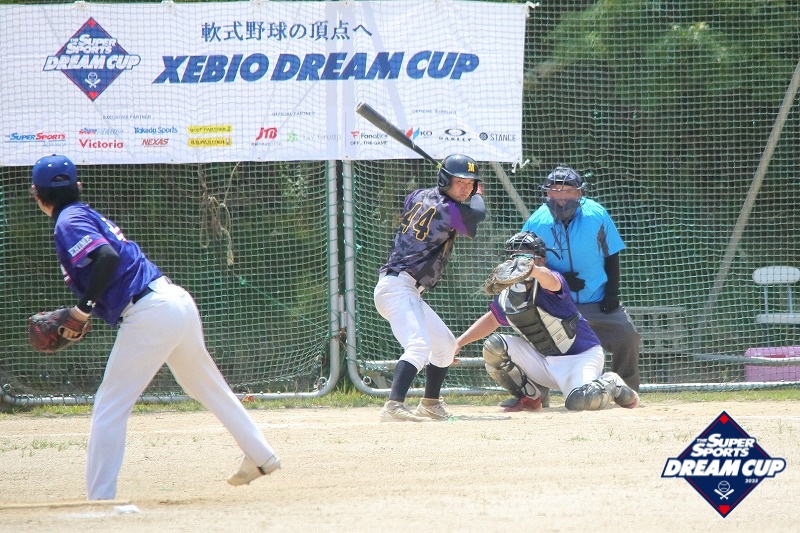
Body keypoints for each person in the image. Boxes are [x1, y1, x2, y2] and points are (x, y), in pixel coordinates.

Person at [29, 154, 279, 500]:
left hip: (150, 312)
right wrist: (85, 308)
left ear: (37, 195)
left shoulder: (68, 220)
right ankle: (261, 455)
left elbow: (106, 258)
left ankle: (100, 498)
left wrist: (82, 310)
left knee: (110, 405)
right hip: (173, 301)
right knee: (205, 386)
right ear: (79, 187)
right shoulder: (84, 213)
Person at [455, 231, 638, 412]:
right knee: (494, 347)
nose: (518, 261)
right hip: (543, 361)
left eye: (526, 256)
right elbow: (491, 319)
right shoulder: (509, 294)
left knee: (579, 401)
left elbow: (551, 281)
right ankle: (529, 398)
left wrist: (531, 269)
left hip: (580, 358)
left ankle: (611, 383)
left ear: (541, 260)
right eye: (514, 257)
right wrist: (458, 343)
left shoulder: (552, 279)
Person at [374, 154, 486, 422]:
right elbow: (476, 217)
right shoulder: (450, 211)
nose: (466, 188)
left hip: (406, 289)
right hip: (397, 287)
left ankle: (430, 404)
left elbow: (424, 204)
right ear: (445, 180)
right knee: (418, 346)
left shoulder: (417, 195)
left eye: (470, 183)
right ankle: (393, 406)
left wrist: (458, 187)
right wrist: (479, 194)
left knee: (445, 346)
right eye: (459, 182)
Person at [520, 166, 640, 408]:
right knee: (533, 341)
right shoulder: (536, 221)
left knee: (628, 335)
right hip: (556, 304)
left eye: (567, 191)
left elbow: (612, 254)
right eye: (555, 191)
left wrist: (612, 292)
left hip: (596, 299)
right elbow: (527, 262)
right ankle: (534, 395)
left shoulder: (597, 214)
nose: (561, 197)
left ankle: (626, 391)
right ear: (546, 193)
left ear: (579, 193)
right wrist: (561, 278)